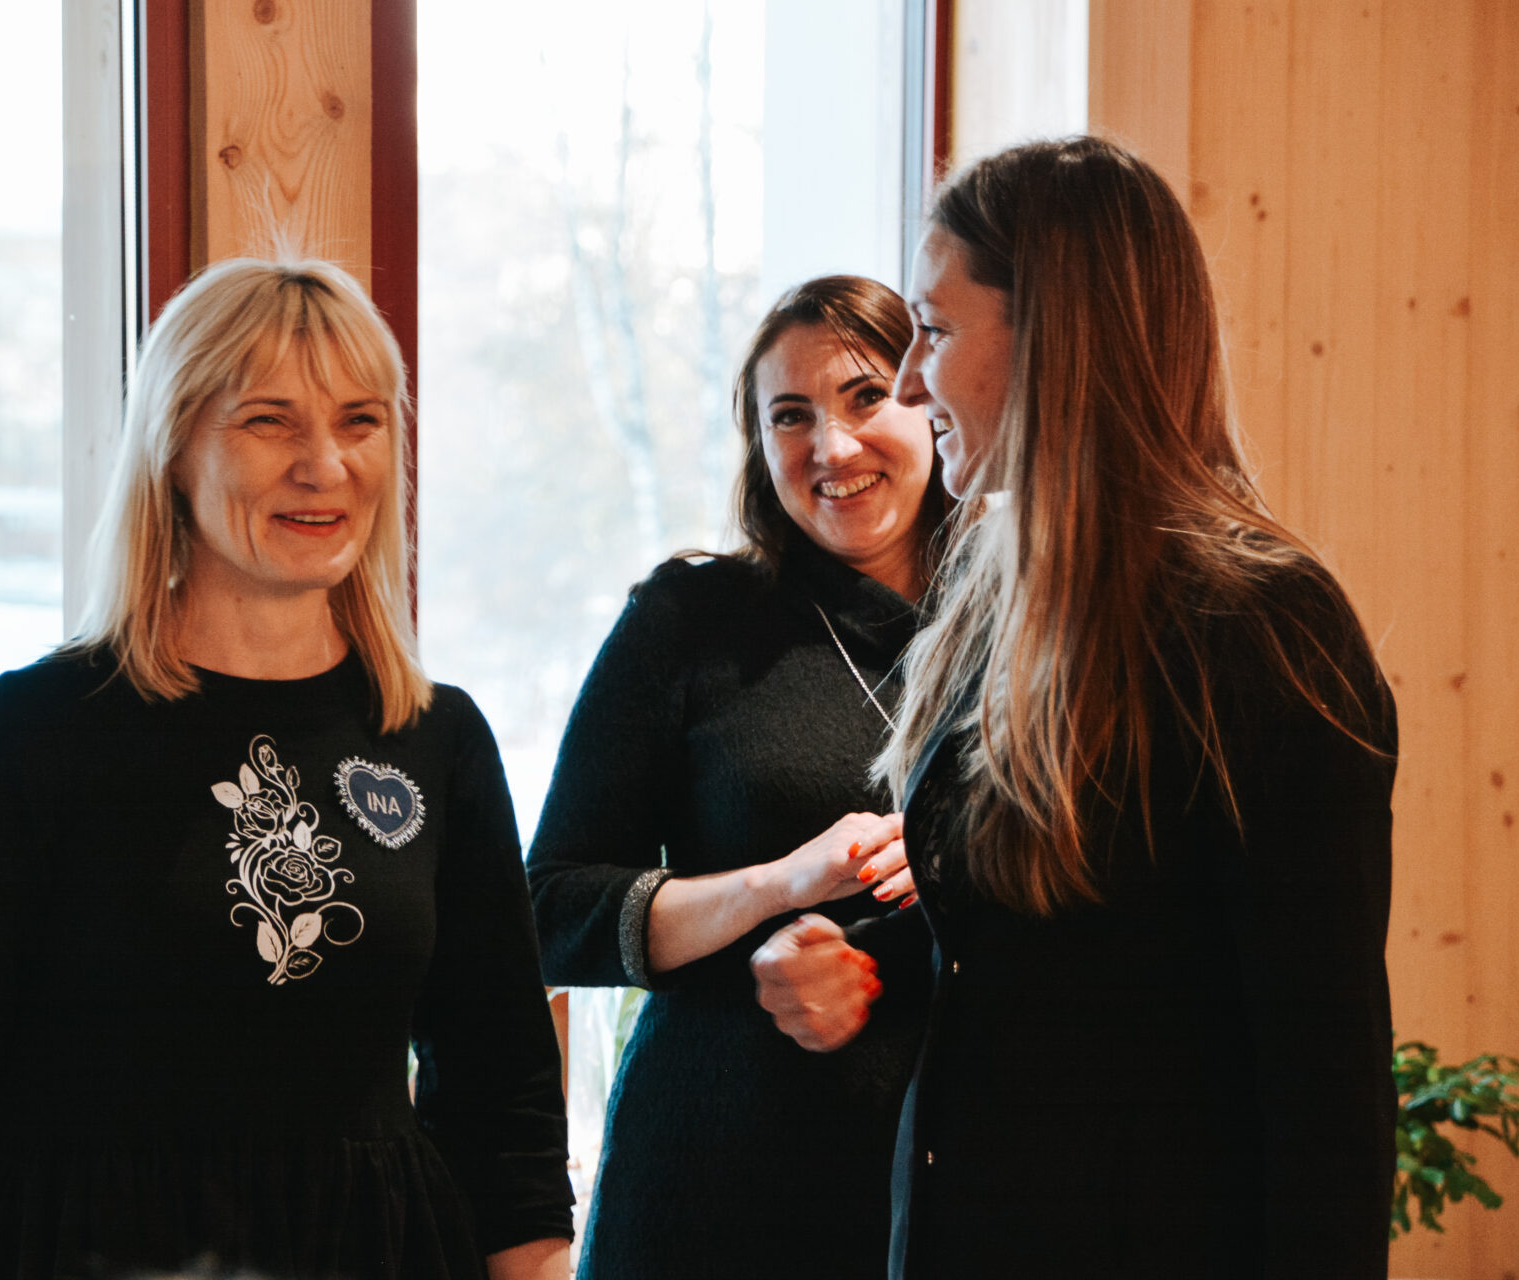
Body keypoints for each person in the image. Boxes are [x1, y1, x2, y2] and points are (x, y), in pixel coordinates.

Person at [0, 257, 574, 1280]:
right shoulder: (33, 731)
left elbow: (506, 1103)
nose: (325, 464)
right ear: (173, 447)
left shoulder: (435, 739)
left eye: (359, 421)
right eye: (271, 421)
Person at [752, 137, 1398, 1279]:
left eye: (934, 332)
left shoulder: (1261, 625)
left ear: (1054, 334)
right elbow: (1052, 956)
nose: (912, 384)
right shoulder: (994, 584)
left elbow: (1323, 1085)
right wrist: (863, 963)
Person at [526, 275, 952, 1279]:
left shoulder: (1026, 628)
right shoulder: (691, 619)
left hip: (947, 1182)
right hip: (712, 1181)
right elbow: (551, 907)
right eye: (789, 416)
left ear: (933, 399)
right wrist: (774, 889)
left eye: (864, 396)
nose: (831, 447)